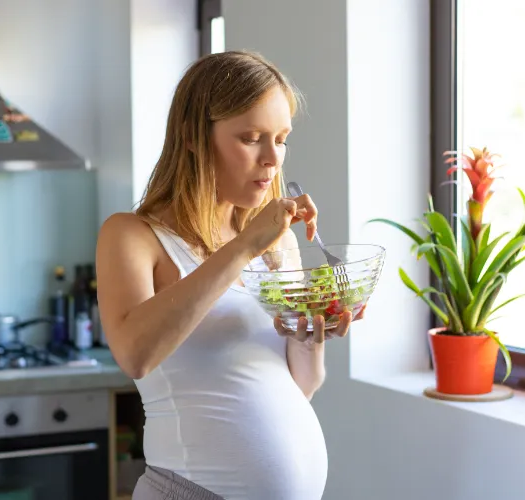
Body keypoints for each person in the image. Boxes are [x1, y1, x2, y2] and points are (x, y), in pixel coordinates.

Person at [95, 50, 365, 500]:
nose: (271, 159)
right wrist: (243, 248)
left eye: (280, 139)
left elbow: (302, 386)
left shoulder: (278, 242)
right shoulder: (133, 236)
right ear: (193, 137)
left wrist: (312, 327)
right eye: (251, 137)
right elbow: (135, 355)